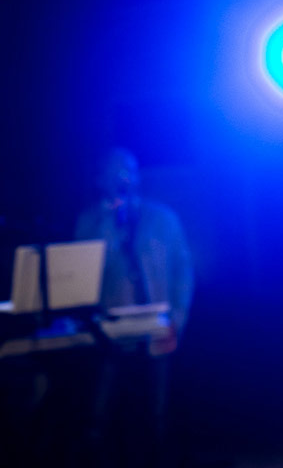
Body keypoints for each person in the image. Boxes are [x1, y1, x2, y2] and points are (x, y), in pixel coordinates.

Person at [75, 148, 194, 467]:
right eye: (114, 172)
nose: (123, 177)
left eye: (129, 170)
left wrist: (177, 318)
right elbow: (82, 273)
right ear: (100, 179)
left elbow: (183, 271)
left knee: (157, 413)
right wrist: (110, 221)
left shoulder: (162, 219)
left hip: (157, 326)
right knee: (100, 412)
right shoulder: (90, 221)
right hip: (108, 332)